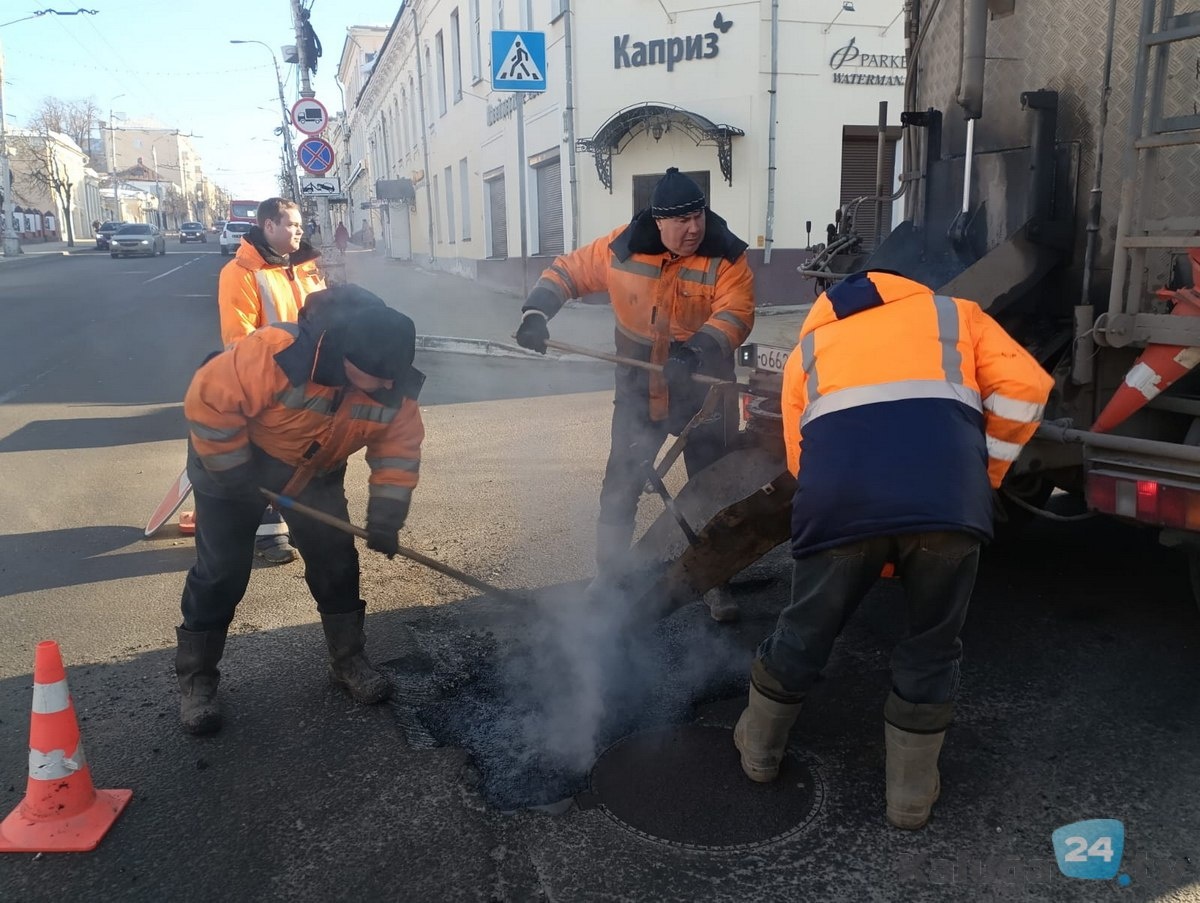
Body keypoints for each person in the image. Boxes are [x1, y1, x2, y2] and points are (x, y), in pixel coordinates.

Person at [732, 269, 1053, 829]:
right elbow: (1027, 390)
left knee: (806, 627)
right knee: (932, 644)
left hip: (841, 504)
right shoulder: (956, 315)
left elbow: (799, 457)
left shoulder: (809, 349)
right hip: (948, 504)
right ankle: (909, 797)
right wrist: (982, 477)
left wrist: (849, 517)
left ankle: (759, 749)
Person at [174, 285, 426, 735]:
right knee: (222, 573)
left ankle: (348, 661)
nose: (390, 386)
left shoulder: (393, 386)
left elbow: (398, 453)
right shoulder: (276, 354)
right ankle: (198, 681)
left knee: (336, 561)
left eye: (395, 375)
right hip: (231, 465)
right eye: (380, 376)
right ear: (347, 359)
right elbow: (208, 398)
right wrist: (234, 473)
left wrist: (387, 517)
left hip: (314, 472)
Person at [514, 168, 754, 622]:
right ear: (658, 221)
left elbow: (736, 313)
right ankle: (609, 575)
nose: (694, 228)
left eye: (698, 216)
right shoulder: (620, 248)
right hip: (640, 388)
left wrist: (696, 351)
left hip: (704, 387)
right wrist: (536, 313)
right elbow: (566, 271)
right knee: (621, 482)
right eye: (681, 220)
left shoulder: (726, 256)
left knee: (711, 486)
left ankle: (715, 580)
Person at [217, 197, 325, 564]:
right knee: (268, 457)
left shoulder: (304, 267)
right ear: (269, 226)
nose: (300, 230)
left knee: (304, 455)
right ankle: (269, 533)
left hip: (309, 380)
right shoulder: (240, 273)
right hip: (269, 383)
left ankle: (300, 522)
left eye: (300, 225)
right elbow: (239, 339)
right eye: (292, 224)